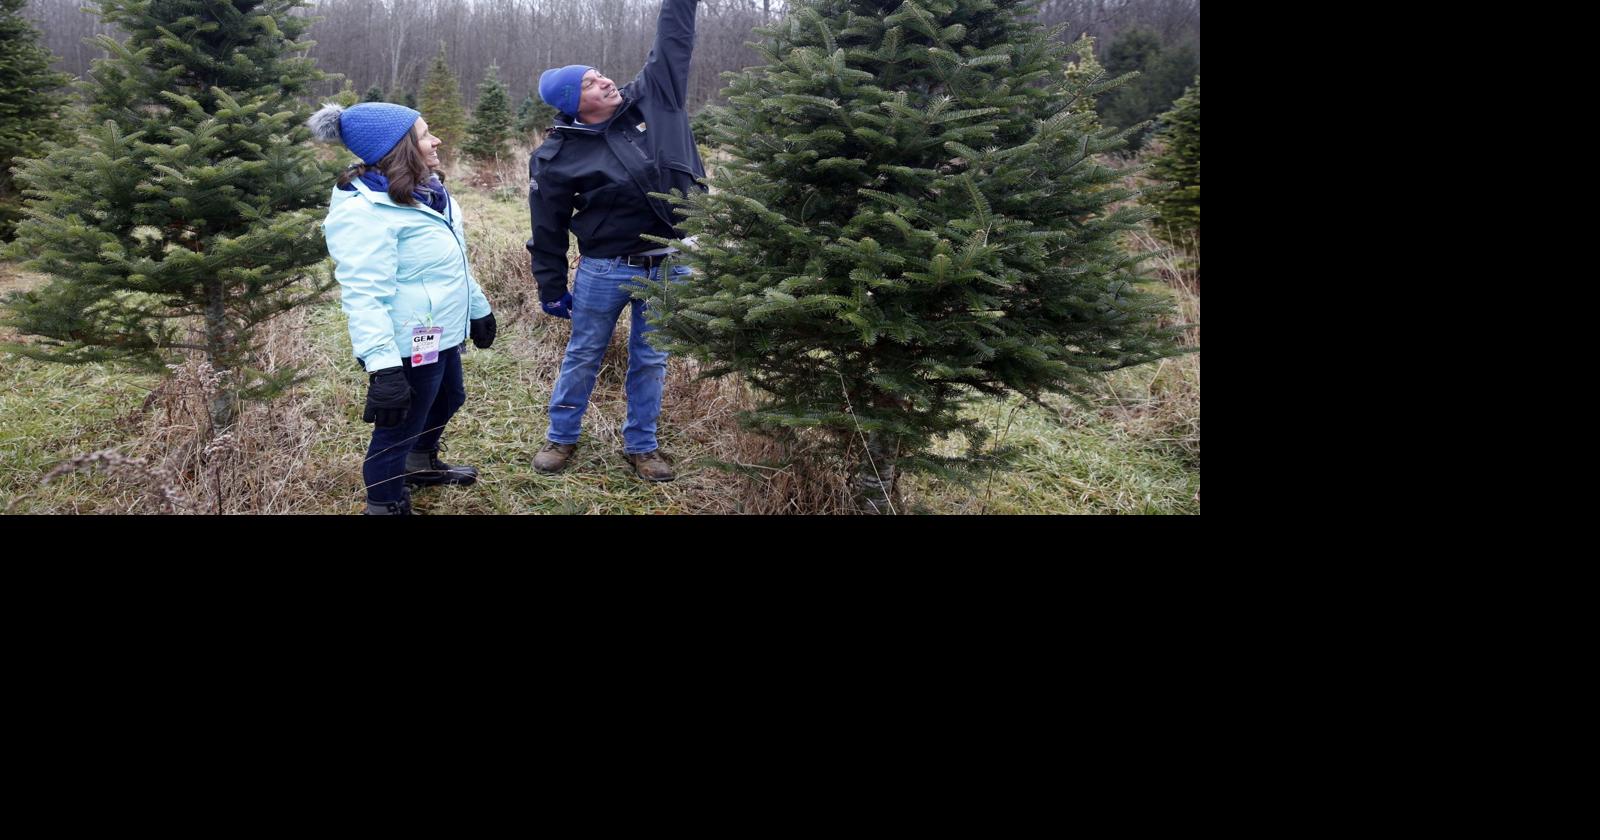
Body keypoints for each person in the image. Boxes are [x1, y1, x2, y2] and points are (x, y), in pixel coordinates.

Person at [526, 0, 704, 482]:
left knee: (652, 357)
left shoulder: (654, 98)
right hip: (607, 267)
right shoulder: (557, 156)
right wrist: (550, 286)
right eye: (588, 81)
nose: (604, 80)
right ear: (572, 103)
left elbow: (674, 41)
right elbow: (547, 227)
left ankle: (642, 446)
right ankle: (561, 438)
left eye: (600, 74)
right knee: (584, 352)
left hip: (669, 262)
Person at [309, 101, 497, 515]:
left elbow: (454, 262)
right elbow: (364, 295)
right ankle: (386, 504)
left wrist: (477, 308)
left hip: (442, 328)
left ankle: (419, 462)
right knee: (399, 426)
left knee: (450, 398)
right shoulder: (366, 212)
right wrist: (383, 368)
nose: (437, 140)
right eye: (426, 134)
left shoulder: (430, 192)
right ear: (400, 148)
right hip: (403, 343)